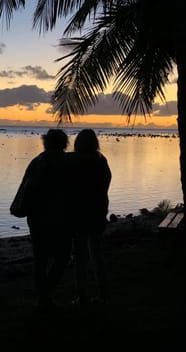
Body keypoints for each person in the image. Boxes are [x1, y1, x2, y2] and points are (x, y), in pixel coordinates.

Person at [17, 128, 72, 311]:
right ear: (64, 143)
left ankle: (43, 296)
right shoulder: (67, 162)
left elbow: (25, 188)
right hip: (60, 217)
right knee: (62, 257)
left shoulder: (38, 161)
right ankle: (46, 294)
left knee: (40, 259)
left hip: (38, 217)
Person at [70, 129, 111, 305]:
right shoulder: (101, 161)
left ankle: (83, 295)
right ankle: (102, 292)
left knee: (80, 256)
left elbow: (68, 187)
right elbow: (106, 184)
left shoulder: (74, 162)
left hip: (80, 213)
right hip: (98, 212)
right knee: (96, 254)